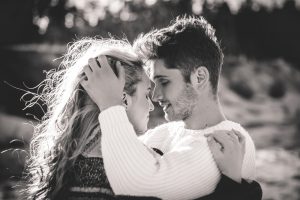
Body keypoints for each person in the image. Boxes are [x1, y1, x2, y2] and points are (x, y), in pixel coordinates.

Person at [22, 37, 261, 200]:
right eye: (147, 92)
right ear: (121, 99)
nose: (154, 100)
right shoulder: (121, 171)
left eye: (162, 83)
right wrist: (236, 187)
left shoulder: (69, 161)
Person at [81, 16, 258, 200]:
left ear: (199, 78)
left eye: (164, 82)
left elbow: (138, 185)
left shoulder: (227, 144)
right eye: (154, 84)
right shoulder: (169, 131)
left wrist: (110, 104)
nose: (156, 96)